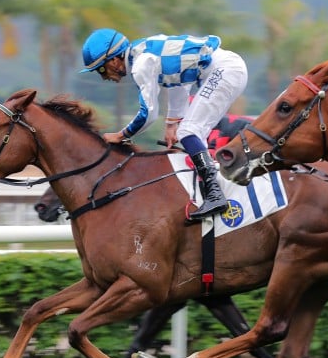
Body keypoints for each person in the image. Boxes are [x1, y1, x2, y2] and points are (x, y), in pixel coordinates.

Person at [79, 28, 248, 220]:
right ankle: (210, 189)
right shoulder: (141, 51)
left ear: (115, 59)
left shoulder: (141, 65)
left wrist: (121, 135)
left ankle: (215, 194)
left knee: (189, 132)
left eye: (101, 69)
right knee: (192, 134)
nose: (104, 76)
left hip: (225, 71)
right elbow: (179, 82)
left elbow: (149, 114)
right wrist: (170, 124)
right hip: (228, 68)